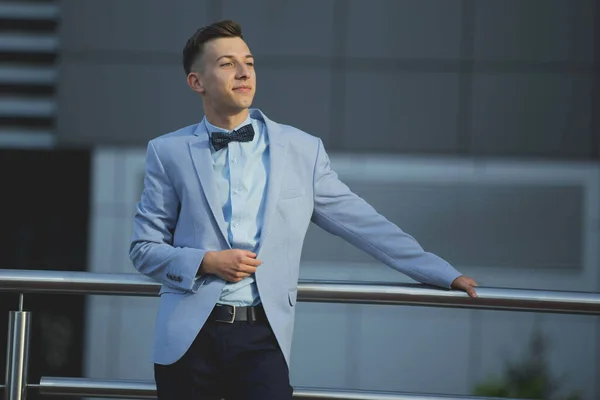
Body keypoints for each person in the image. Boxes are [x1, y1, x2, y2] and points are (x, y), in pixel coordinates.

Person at [129, 19, 478, 400]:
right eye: (227, 64)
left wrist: (441, 272)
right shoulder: (168, 152)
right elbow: (143, 250)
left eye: (249, 61)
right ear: (197, 82)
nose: (244, 72)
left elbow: (365, 224)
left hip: (263, 337)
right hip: (187, 340)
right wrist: (207, 262)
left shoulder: (301, 150)